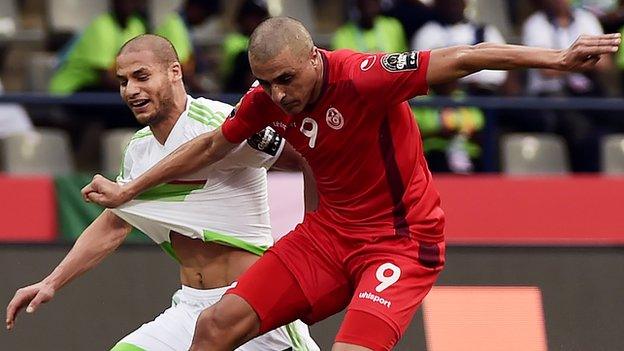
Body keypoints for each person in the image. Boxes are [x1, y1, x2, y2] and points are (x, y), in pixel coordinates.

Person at [79, 17, 620, 351]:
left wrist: (555, 58)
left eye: (287, 79)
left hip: (402, 241)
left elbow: (463, 58)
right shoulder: (266, 98)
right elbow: (212, 144)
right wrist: (130, 190)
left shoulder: (365, 76)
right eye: (266, 82)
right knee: (215, 328)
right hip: (331, 234)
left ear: (314, 58)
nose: (279, 94)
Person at [6, 34, 319, 351]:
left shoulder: (219, 122)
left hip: (252, 305)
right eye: (123, 81)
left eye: (142, 76)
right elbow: (116, 223)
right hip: (190, 309)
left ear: (175, 72)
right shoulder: (138, 149)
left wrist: (314, 236)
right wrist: (51, 282)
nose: (131, 90)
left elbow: (307, 158)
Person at [49, 0, 147, 94]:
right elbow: (106, 78)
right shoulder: (101, 27)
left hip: (104, 87)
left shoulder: (137, 26)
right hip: (73, 90)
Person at [412, 0, 508, 94]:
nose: (453, 6)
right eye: (449, 3)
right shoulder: (427, 33)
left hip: (487, 95)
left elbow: (501, 68)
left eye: (457, 2)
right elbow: (424, 70)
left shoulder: (485, 31)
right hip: (446, 97)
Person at [331, 0, 408, 53]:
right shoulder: (343, 35)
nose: (369, 5)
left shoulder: (393, 27)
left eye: (373, 1)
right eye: (364, 2)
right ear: (357, 4)